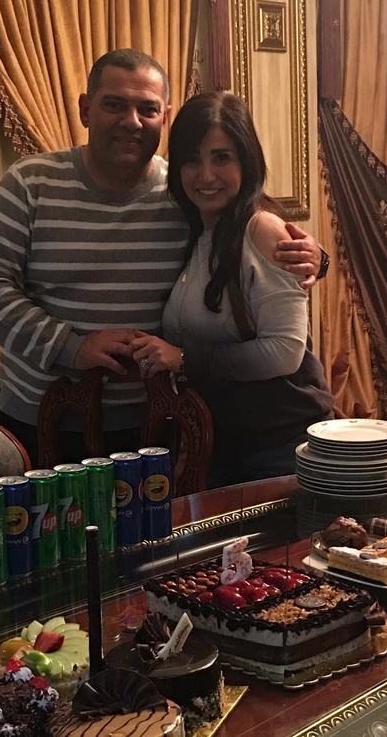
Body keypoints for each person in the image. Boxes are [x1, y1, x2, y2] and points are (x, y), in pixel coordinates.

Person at [0, 49, 323, 466]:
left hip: (155, 425)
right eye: (114, 104)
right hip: (39, 422)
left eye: (147, 109)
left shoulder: (182, 194)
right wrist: (70, 347)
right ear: (86, 109)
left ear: (164, 117)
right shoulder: (31, 183)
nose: (131, 121)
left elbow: (246, 229)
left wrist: (312, 256)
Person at [130, 91, 334, 488]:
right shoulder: (194, 227)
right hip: (216, 442)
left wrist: (184, 359)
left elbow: (284, 352)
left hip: (279, 442)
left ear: (246, 160)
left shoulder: (261, 229)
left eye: (221, 157)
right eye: (192, 159)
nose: (206, 175)